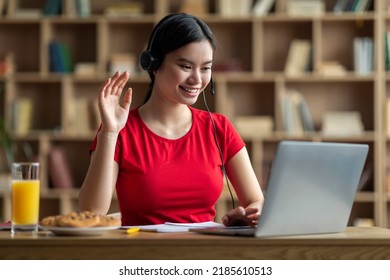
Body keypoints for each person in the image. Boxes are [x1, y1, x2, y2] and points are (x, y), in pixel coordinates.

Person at [79, 13, 264, 227]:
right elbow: (90, 213)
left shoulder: (220, 128)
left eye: (205, 68)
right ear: (154, 64)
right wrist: (110, 133)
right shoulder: (121, 131)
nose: (197, 79)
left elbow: (256, 201)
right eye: (186, 67)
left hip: (204, 255)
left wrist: (248, 215)